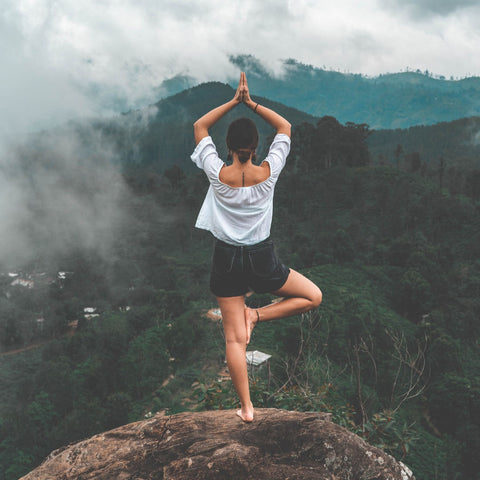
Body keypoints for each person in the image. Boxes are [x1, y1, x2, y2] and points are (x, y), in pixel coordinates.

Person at [191, 72, 322, 422]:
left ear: (229, 148)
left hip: (226, 260)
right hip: (263, 259)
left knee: (235, 341)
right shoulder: (270, 170)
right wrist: (252, 103)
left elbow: (200, 127)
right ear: (255, 147)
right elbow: (286, 128)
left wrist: (233, 102)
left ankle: (247, 408)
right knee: (313, 297)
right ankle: (259, 315)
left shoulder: (217, 174)